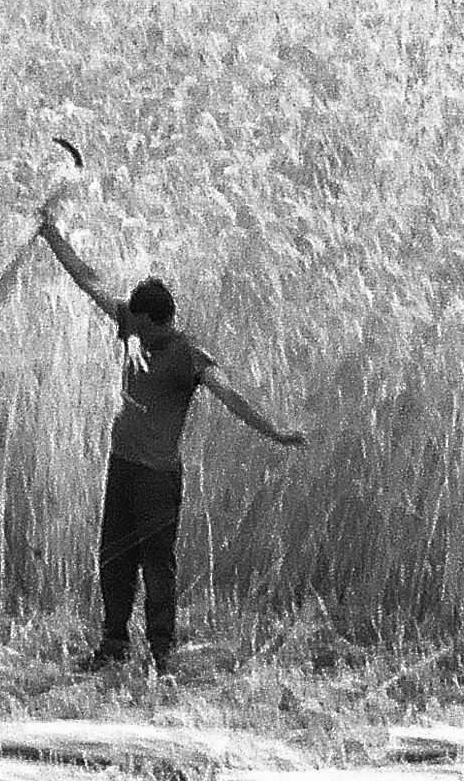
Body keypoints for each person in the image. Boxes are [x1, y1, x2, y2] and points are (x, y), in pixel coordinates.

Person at [34, 190, 308, 672]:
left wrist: (277, 433)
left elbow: (232, 396)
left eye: (137, 324)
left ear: (158, 320)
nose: (129, 330)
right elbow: (88, 280)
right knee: (113, 558)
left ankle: (161, 654)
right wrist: (49, 232)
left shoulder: (186, 354)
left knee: (156, 564)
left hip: (158, 478)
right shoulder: (132, 321)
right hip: (122, 468)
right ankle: (113, 646)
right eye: (129, 322)